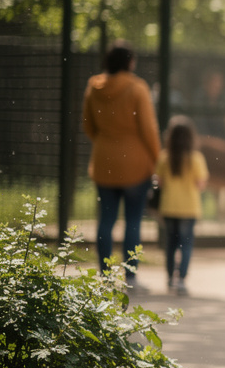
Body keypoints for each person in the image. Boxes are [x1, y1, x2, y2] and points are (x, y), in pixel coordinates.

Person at [82, 40, 161, 289]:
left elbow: (88, 124)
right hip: (135, 166)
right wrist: (157, 158)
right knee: (133, 220)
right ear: (130, 62)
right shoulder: (137, 88)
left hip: (104, 162)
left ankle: (105, 274)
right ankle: (131, 275)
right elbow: (149, 129)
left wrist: (106, 142)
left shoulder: (94, 88)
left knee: (106, 219)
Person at [156, 115, 209, 296]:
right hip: (189, 209)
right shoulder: (196, 159)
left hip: (169, 208)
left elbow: (159, 182)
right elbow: (201, 184)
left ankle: (170, 277)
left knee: (171, 243)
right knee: (186, 244)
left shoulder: (164, 158)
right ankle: (182, 279)